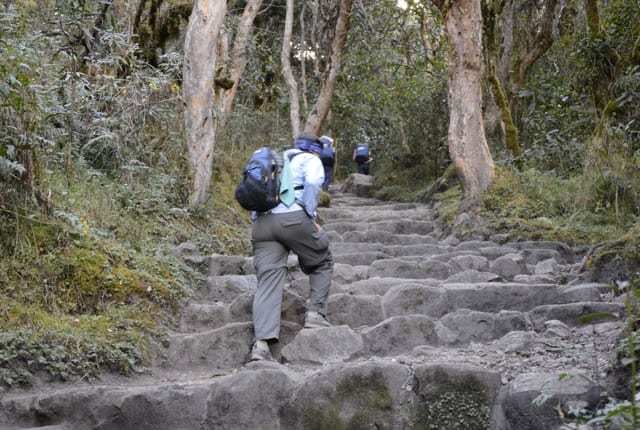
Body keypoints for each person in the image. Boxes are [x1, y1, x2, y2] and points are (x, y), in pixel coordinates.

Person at [249, 132, 334, 362]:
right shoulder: (310, 159)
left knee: (268, 280)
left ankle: (261, 346)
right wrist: (310, 214)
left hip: (262, 224)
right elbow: (315, 183)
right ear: (316, 149)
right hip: (293, 217)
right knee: (322, 260)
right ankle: (315, 313)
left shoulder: (276, 161)